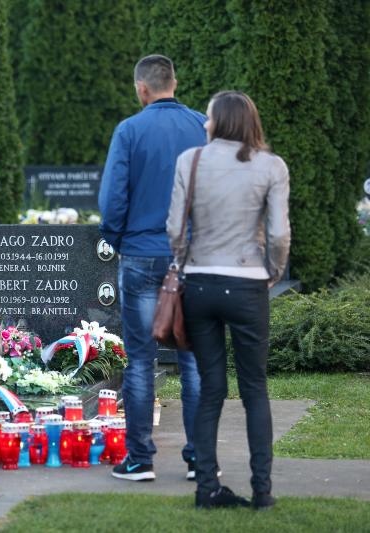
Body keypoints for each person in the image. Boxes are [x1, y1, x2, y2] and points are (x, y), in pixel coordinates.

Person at [167, 91, 290, 510]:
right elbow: (277, 234)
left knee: (210, 390)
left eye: (208, 117)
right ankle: (263, 491)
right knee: (255, 388)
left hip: (200, 283)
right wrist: (272, 270)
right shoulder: (271, 166)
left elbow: (174, 227)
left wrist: (185, 265)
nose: (204, 124)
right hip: (248, 283)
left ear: (220, 121)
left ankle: (206, 489)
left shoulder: (191, 161)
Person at [98, 54, 204, 481]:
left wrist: (118, 239)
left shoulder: (129, 130)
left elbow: (112, 200)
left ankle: (140, 458)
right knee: (194, 359)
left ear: (141, 89)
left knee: (140, 360)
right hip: (193, 256)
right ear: (174, 82)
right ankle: (200, 458)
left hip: (141, 253)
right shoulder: (202, 126)